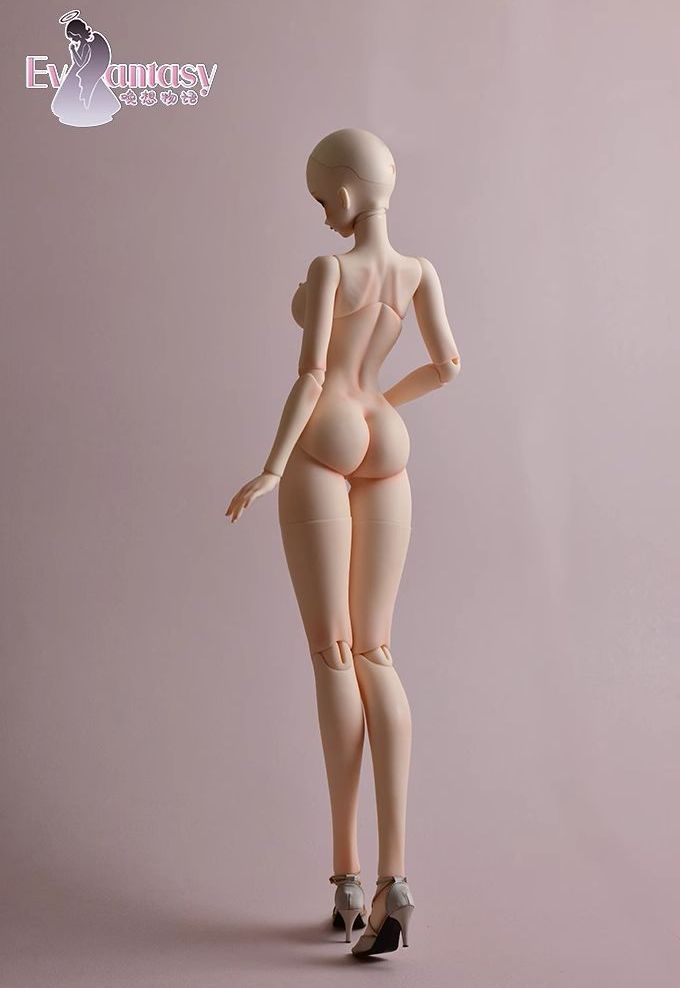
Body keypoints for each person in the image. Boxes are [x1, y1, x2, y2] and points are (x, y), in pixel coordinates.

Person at [226, 128, 461, 957]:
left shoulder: (331, 269)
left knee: (333, 654)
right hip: (385, 438)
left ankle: (347, 877)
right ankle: (399, 877)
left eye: (325, 198)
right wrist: (385, 406)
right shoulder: (418, 271)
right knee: (377, 651)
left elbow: (313, 374)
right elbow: (448, 364)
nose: (324, 214)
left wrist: (271, 465)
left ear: (350, 193)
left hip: (326, 436)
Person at [51, 11, 120, 127]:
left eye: (72, 37)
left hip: (83, 73)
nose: (72, 40)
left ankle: (86, 112)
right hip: (81, 72)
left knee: (84, 94)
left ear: (77, 34)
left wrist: (73, 51)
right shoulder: (82, 44)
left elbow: (81, 63)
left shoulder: (85, 45)